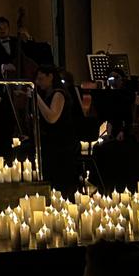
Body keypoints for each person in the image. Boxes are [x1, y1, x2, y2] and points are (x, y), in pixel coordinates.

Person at [33, 64, 79, 193]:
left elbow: (52, 118)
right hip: (50, 141)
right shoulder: (46, 94)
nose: (38, 82)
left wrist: (36, 97)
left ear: (51, 77)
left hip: (61, 143)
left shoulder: (59, 94)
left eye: (41, 79)